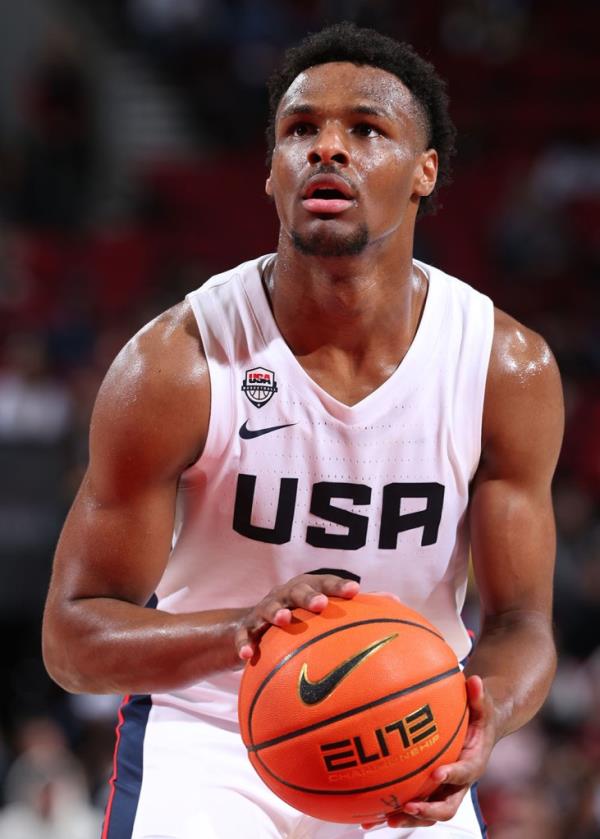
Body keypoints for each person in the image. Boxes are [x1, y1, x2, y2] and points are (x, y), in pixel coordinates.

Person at [42, 21, 564, 839]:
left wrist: (483, 709)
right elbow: (72, 638)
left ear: (425, 171)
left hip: (408, 730)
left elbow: (522, 624)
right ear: (271, 174)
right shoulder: (178, 364)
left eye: (366, 129)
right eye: (300, 130)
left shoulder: (504, 368)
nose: (327, 148)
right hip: (216, 736)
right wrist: (241, 631)